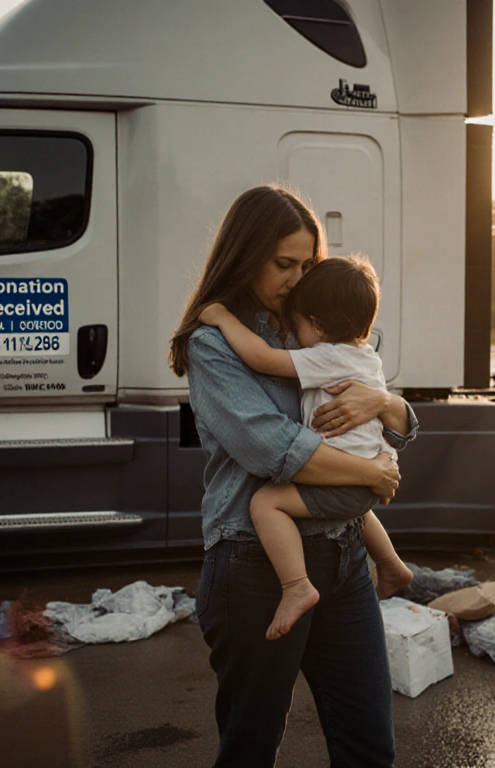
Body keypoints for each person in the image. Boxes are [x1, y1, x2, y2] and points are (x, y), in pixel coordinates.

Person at [169, 185, 417, 766]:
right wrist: (370, 475)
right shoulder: (215, 345)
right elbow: (272, 449)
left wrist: (382, 403)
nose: (297, 277)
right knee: (251, 749)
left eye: (307, 264)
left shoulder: (321, 324)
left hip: (344, 554)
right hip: (255, 566)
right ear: (246, 254)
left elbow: (397, 417)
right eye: (285, 264)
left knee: (370, 747)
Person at [198, 254, 413, 642]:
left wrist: (223, 318)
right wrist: (377, 466)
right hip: (363, 476)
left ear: (317, 327)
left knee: (266, 503)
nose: (295, 335)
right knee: (358, 511)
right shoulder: (366, 356)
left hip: (344, 480)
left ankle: (296, 585)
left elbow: (262, 359)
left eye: (298, 327)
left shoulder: (327, 355)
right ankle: (391, 563)